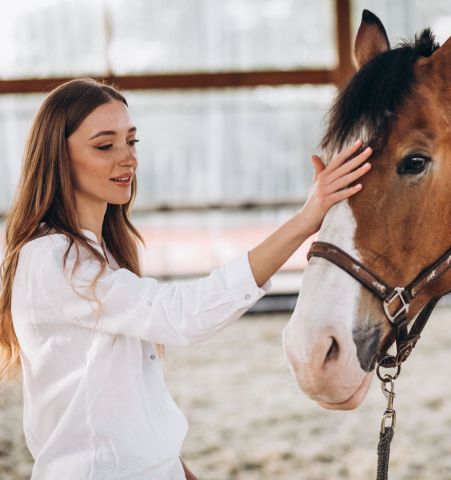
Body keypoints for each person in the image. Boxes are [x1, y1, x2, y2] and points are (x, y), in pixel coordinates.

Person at [0, 78, 372, 479]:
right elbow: (182, 316)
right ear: (57, 156)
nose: (128, 158)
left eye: (132, 141)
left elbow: (123, 401)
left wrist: (177, 469)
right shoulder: (52, 259)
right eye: (105, 145)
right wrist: (303, 223)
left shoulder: (100, 254)